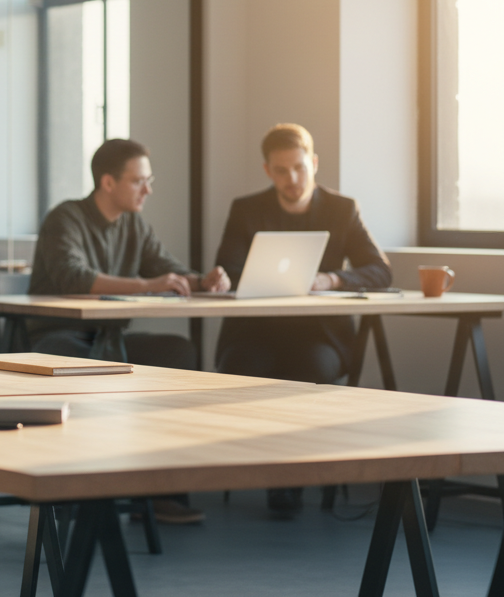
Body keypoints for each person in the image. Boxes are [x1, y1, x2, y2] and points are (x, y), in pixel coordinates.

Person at [25, 138, 228, 526]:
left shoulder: (134, 224)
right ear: (107, 182)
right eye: (138, 181)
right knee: (74, 360)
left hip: (108, 337)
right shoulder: (64, 218)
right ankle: (74, 486)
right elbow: (74, 277)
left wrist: (203, 280)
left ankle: (159, 491)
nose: (147, 190)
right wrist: (148, 285)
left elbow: (167, 270)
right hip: (58, 337)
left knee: (178, 353)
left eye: (149, 181)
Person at [213, 123, 391, 516]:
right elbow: (229, 268)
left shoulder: (342, 209)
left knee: (310, 371)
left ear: (314, 163)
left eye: (299, 168)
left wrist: (332, 279)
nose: (292, 179)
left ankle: (286, 482)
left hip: (320, 336)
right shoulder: (247, 209)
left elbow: (380, 271)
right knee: (241, 368)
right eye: (281, 171)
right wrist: (223, 278)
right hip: (254, 332)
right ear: (267, 171)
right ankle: (260, 473)